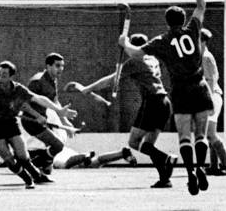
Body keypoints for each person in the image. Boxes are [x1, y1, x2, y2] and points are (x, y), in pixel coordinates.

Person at [119, 0, 213, 196]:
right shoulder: (193, 28)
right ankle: (201, 167)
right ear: (183, 19)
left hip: (180, 91)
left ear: (166, 21)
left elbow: (135, 53)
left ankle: (190, 171)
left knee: (184, 136)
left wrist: (124, 42)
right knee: (200, 134)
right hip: (200, 87)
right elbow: (201, 3)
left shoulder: (161, 41)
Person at [66, 32, 176, 187]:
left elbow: (112, 80)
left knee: (134, 142)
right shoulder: (152, 59)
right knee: (147, 145)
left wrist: (86, 89)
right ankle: (165, 178)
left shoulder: (134, 62)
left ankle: (166, 158)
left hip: (152, 102)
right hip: (164, 102)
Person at [0, 60, 77, 189]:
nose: (0, 77)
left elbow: (39, 99)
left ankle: (36, 174)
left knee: (23, 157)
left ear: (12, 77)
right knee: (9, 159)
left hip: (10, 124)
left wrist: (58, 110)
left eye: (4, 75)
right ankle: (28, 179)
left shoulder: (18, 89)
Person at [200, 28, 226, 176]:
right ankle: (214, 166)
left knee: (211, 134)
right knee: (209, 134)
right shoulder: (200, 56)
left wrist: (209, 100)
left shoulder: (206, 57)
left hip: (213, 97)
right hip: (208, 97)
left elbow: (212, 80)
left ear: (203, 41)